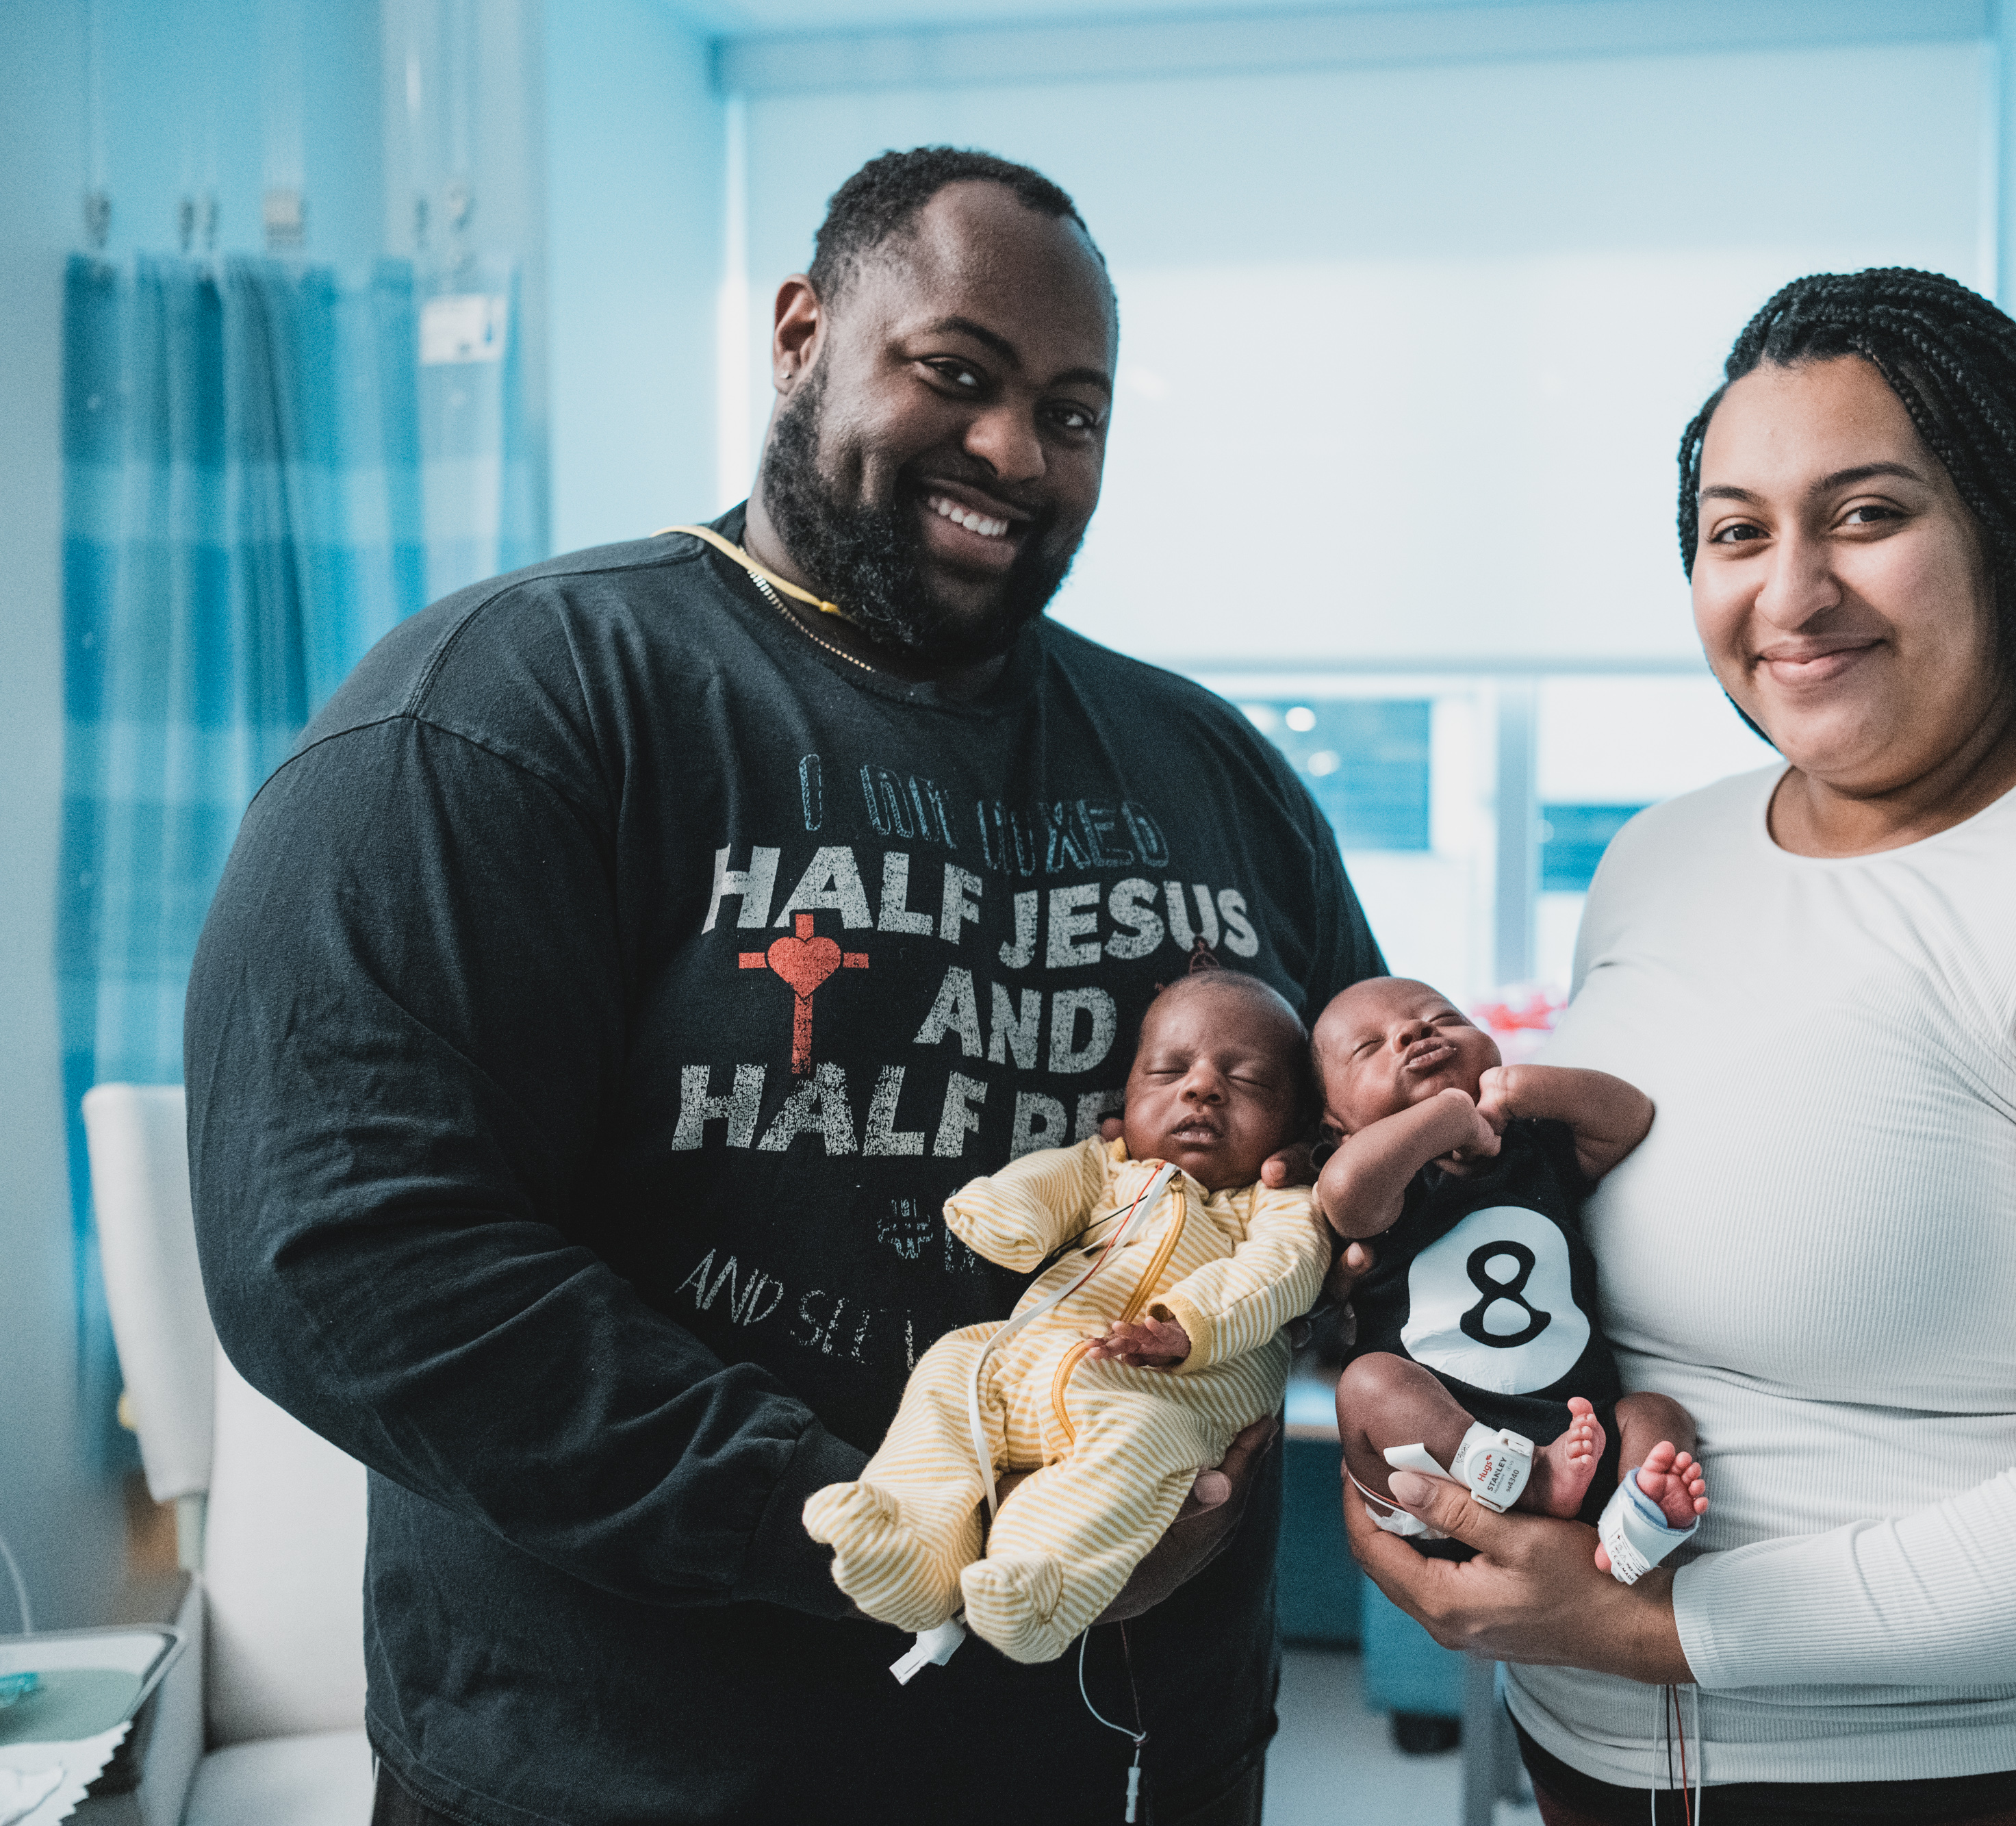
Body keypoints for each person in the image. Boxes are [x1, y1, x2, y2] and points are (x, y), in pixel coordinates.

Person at [183, 147, 1382, 1826]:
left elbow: (1350, 1183)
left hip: (1144, 1759)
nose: (1014, 452)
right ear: (803, 334)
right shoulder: (505, 710)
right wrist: (871, 1528)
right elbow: (347, 1250)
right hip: (625, 1774)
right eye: (954, 373)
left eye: (1073, 413)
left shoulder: (1211, 771)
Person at [1346, 270, 2016, 1826]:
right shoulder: (1657, 859)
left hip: (2012, 1785)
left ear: (2005, 529)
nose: (1792, 592)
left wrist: (1660, 1627)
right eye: (1735, 531)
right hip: (1600, 1769)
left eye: (1868, 515)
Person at [803, 969, 1329, 1666]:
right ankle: (914, 1539)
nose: (1201, 1087)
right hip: (1028, 1363)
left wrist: (1187, 1323)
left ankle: (1042, 1579)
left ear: (1298, 1123)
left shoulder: (1277, 1203)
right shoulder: (1105, 1167)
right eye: (1167, 1071)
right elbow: (1047, 1183)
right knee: (954, 1366)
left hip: (1166, 1397)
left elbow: (1284, 1268)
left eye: (1250, 1080)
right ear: (1127, 1096)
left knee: (1127, 1457)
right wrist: (1007, 1214)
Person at [1310, 977, 1707, 1582]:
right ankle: (1531, 1478)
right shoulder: (1390, 1185)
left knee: (1657, 1414)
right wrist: (1447, 1117)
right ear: (1339, 1129)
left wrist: (1522, 1087)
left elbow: (1629, 1118)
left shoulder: (1533, 1150)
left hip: (1581, 1437)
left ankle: (1637, 1520)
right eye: (1371, 1047)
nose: (1414, 1031)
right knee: (1367, 1385)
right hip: (1438, 1470)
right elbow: (1344, 1192)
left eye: (1444, 1017)